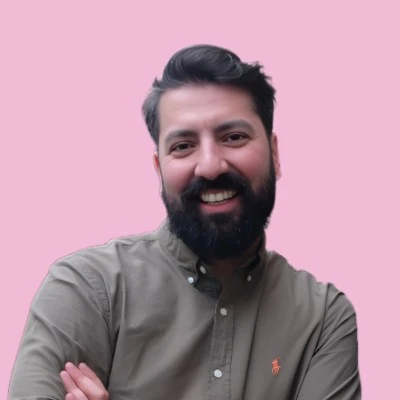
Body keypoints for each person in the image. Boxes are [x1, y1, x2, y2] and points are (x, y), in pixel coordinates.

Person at [9, 44, 361, 400]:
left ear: (274, 153)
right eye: (182, 146)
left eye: (233, 137)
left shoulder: (324, 319)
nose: (209, 166)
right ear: (159, 169)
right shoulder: (86, 289)